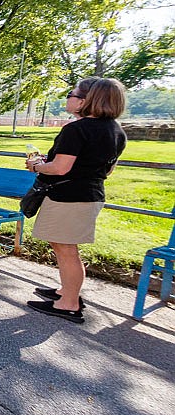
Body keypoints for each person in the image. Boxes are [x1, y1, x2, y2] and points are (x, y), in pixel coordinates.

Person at [25, 77, 127, 324]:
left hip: (68, 197)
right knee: (65, 248)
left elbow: (61, 168)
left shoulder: (76, 130)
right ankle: (67, 292)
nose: (68, 98)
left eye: (72, 94)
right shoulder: (116, 131)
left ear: (88, 100)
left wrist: (38, 165)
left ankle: (69, 303)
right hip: (90, 194)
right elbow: (108, 170)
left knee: (67, 250)